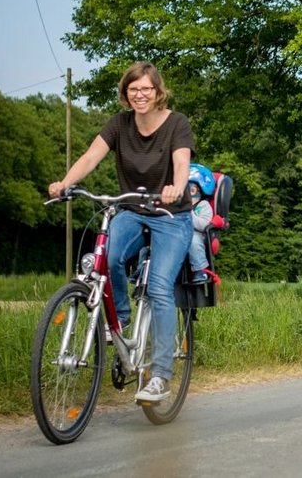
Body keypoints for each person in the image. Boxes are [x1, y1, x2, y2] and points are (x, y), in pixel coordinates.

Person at [48, 62, 194, 404]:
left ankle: (159, 376)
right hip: (130, 208)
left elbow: (182, 163)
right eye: (133, 89)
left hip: (170, 213)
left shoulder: (177, 123)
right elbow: (90, 157)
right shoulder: (119, 123)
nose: (140, 95)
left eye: (146, 89)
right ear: (125, 94)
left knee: (158, 286)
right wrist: (66, 183)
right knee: (107, 258)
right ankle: (121, 323)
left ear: (158, 91)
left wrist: (177, 187)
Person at [186, 163, 216, 284]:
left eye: (191, 190)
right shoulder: (176, 206)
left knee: (193, 238)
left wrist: (189, 213)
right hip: (176, 235)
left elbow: (204, 225)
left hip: (198, 235)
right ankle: (144, 270)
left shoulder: (203, 206)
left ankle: (200, 269)